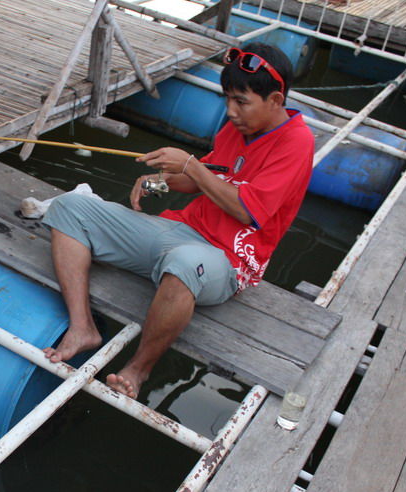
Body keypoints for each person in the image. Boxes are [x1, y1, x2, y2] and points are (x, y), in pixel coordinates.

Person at [41, 42, 314, 399]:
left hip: (227, 260)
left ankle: (137, 370)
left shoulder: (297, 142)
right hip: (180, 230)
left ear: (276, 100)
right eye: (227, 99)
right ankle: (82, 327)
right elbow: (208, 177)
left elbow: (247, 210)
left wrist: (190, 164)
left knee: (185, 264)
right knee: (69, 207)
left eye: (241, 102)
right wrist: (158, 182)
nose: (231, 111)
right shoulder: (237, 128)